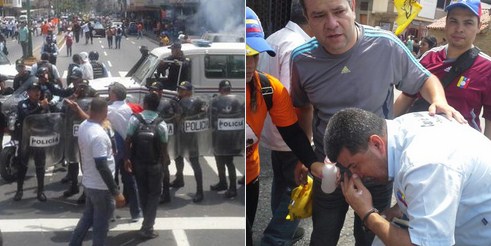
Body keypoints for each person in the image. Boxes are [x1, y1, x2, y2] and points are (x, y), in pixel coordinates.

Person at [290, 0, 465, 245]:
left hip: (377, 165)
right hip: (329, 165)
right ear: (307, 18)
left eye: (339, 11)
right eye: (319, 16)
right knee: (323, 233)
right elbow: (304, 107)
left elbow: (424, 80)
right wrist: (306, 157)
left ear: (351, 6)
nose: (331, 24)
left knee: (372, 232)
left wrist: (439, 100)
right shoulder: (301, 59)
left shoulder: (385, 45)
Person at [324, 107, 491, 246]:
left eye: (355, 165)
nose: (357, 175)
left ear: (376, 143)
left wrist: (367, 213)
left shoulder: (424, 164)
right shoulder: (400, 127)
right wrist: (398, 208)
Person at [245, 7, 324, 246]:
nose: (250, 64)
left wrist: (312, 162)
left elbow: (291, 131)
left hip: (250, 175)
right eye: (242, 55)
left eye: (255, 55)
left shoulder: (269, 88)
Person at [256, 0, 313, 244]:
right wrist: (306, 141)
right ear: (310, 17)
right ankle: (277, 236)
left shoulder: (274, 37)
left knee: (282, 182)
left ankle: (286, 228)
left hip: (271, 128)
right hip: (290, 131)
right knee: (296, 187)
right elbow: (295, 99)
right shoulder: (298, 46)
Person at [395, 0, 491, 139]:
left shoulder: (487, 68)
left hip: (461, 148)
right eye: (453, 21)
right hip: (418, 139)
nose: (459, 29)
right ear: (445, 24)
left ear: (479, 27)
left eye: (468, 23)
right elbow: (406, 97)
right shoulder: (429, 57)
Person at [69, 98, 125, 246]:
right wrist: (116, 192)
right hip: (101, 188)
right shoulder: (99, 136)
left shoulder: (84, 126)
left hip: (89, 183)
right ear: (104, 112)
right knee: (101, 226)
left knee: (87, 218)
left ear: (90, 110)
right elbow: (102, 165)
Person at [124, 93, 170, 239]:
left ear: (145, 104)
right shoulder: (161, 123)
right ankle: (147, 227)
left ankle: (146, 222)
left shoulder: (135, 119)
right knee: (155, 194)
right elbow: (164, 148)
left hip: (138, 163)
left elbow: (128, 140)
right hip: (154, 164)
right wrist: (164, 165)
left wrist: (127, 159)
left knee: (143, 192)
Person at [107, 82, 141, 222]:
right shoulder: (129, 108)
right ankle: (136, 213)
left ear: (114, 94)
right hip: (129, 149)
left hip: (115, 149)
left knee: (111, 182)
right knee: (130, 181)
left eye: (110, 92)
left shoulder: (109, 109)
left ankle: (110, 214)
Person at [12, 82, 50, 202]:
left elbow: (50, 118)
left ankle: (40, 191)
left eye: (38, 90)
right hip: (26, 139)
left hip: (39, 139)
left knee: (40, 165)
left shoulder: (44, 103)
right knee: (22, 165)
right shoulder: (23, 104)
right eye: (33, 90)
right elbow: (26, 116)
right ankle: (19, 191)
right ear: (28, 92)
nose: (37, 92)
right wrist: (40, 108)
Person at [170, 81, 205, 203]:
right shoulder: (175, 101)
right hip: (179, 135)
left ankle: (199, 191)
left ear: (189, 91)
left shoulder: (197, 102)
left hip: (191, 136)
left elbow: (204, 115)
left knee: (194, 162)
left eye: (183, 90)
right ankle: (179, 178)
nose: (180, 91)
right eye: (179, 89)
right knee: (178, 158)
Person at [209, 80, 243, 198]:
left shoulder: (216, 102)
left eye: (226, 90)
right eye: (225, 89)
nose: (226, 92)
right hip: (229, 137)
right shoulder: (237, 101)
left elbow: (211, 119)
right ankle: (223, 182)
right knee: (220, 160)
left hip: (223, 137)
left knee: (228, 162)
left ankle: (232, 188)